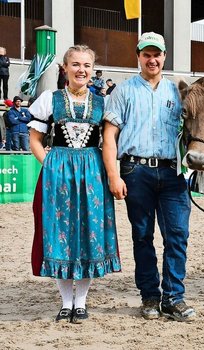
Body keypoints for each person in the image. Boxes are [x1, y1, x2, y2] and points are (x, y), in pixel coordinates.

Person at [102, 32, 195, 322]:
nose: (152, 59)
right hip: (135, 171)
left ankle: (174, 298)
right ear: (138, 57)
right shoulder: (123, 91)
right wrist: (114, 176)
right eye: (146, 54)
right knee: (142, 236)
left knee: (177, 236)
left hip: (172, 172)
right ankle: (150, 298)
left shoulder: (178, 94)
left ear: (164, 57)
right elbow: (109, 136)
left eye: (157, 54)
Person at [27, 45, 121, 324]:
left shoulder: (104, 103)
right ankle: (66, 302)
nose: (82, 70)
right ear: (65, 68)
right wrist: (51, 164)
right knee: (61, 233)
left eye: (87, 65)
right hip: (58, 175)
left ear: (93, 70)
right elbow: (34, 139)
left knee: (89, 232)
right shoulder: (49, 99)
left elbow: (110, 142)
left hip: (92, 173)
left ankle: (81, 301)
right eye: (76, 64)